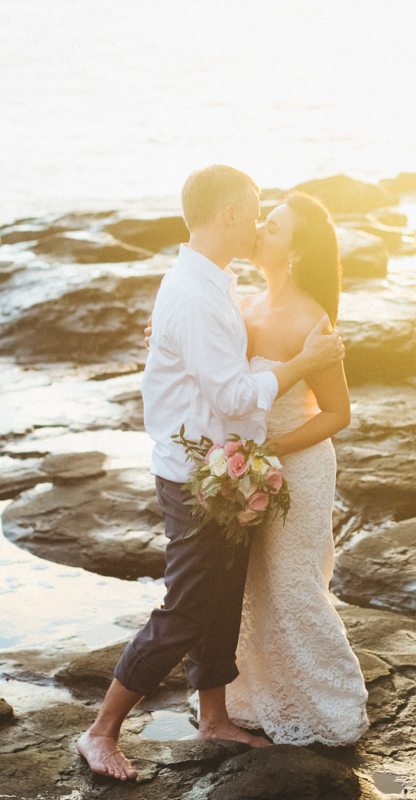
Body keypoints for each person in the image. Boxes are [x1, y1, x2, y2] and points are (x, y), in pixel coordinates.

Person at [76, 166, 345, 780]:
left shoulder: (212, 282)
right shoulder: (197, 293)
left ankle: (215, 716)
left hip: (223, 470)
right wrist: (301, 363)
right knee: (189, 607)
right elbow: (228, 393)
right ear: (229, 215)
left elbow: (211, 357)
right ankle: (101, 732)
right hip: (197, 474)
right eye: (253, 211)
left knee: (221, 600)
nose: (256, 225)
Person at [228, 191, 369, 745]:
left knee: (293, 585)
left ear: (294, 252)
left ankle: (333, 707)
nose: (260, 228)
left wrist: (271, 451)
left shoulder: (314, 321)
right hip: (249, 466)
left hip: (300, 467)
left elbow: (338, 413)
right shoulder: (243, 306)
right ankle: (261, 699)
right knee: (253, 584)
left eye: (274, 226)